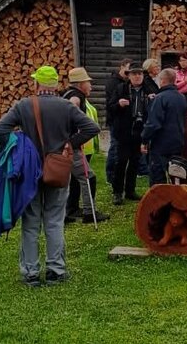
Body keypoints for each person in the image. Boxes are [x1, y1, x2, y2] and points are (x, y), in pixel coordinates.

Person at [0, 65, 99, 286]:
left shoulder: (23, 105)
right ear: (56, 85)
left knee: (31, 224)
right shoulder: (66, 106)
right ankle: (56, 271)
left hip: (29, 172)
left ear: (36, 84)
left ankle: (31, 273)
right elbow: (92, 128)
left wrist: (17, 145)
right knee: (55, 221)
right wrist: (70, 144)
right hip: (57, 169)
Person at [63, 67, 108, 224]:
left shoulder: (66, 93)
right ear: (80, 83)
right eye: (88, 82)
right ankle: (89, 213)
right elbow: (71, 113)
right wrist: (75, 139)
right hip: (70, 145)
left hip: (65, 142)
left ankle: (68, 211)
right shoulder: (75, 97)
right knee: (88, 177)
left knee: (69, 178)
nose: (91, 86)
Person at [141, 68, 187, 185]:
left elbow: (153, 124)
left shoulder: (160, 98)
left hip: (161, 144)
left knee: (158, 177)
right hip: (178, 141)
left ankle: (158, 196)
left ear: (162, 81)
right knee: (176, 176)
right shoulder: (182, 97)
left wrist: (144, 139)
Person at [111, 64, 147, 205]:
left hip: (140, 130)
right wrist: (118, 104)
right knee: (121, 162)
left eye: (140, 74)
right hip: (124, 131)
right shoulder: (121, 89)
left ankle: (130, 191)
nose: (137, 76)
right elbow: (110, 107)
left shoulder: (148, 89)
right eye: (134, 74)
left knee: (135, 162)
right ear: (129, 76)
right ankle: (117, 192)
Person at [104, 58, 133, 187]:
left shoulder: (128, 82)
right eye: (127, 70)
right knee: (115, 146)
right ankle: (110, 175)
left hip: (125, 120)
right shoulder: (113, 82)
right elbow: (111, 102)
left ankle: (120, 175)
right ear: (122, 67)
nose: (128, 73)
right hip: (114, 118)